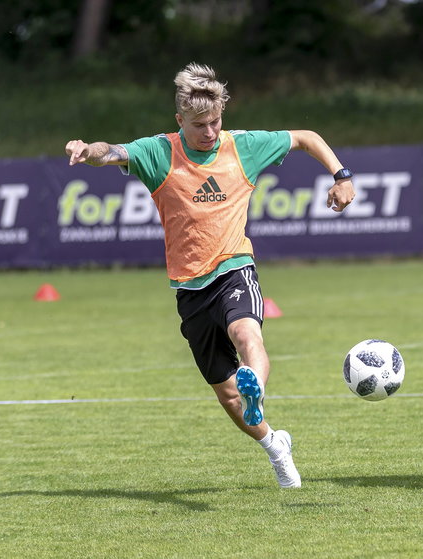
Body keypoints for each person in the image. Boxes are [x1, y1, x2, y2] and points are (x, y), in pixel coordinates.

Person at [65, 62, 356, 489]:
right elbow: (111, 153)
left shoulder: (243, 147)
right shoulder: (159, 152)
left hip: (234, 267)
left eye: (216, 121)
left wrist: (341, 175)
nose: (209, 131)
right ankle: (275, 445)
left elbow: (306, 138)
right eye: (199, 124)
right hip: (188, 288)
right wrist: (87, 148)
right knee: (226, 394)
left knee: (247, 335)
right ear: (179, 120)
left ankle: (255, 381)